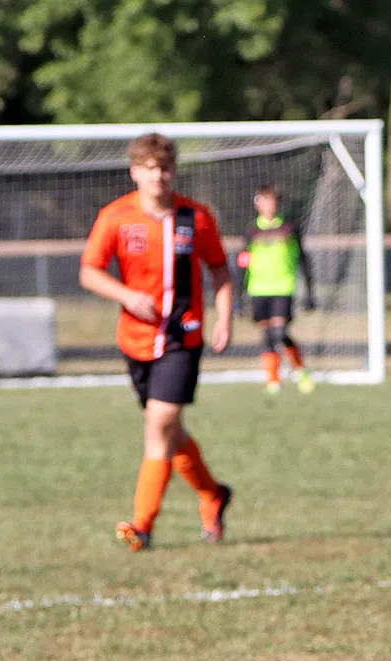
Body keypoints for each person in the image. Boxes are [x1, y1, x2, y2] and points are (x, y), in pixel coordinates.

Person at [78, 133, 235, 551]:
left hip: (182, 337)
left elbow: (220, 271)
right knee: (171, 430)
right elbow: (90, 271)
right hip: (136, 340)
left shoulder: (196, 217)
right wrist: (127, 295)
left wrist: (225, 319)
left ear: (174, 172)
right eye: (148, 168)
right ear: (134, 172)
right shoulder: (116, 217)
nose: (157, 176)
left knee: (159, 424)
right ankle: (213, 494)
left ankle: (141, 525)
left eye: (164, 168)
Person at [239, 185, 315, 394]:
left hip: (283, 286)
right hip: (258, 288)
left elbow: (303, 259)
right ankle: (273, 379)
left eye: (272, 201)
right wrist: (239, 294)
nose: (269, 205)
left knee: (279, 332)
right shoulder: (252, 230)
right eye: (264, 201)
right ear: (258, 204)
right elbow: (243, 262)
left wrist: (309, 291)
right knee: (267, 335)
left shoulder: (289, 228)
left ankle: (300, 370)